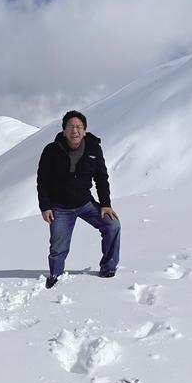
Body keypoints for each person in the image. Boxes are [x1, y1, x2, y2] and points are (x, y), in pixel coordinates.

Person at [37, 110, 120, 288]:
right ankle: (55, 276)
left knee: (112, 225)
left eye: (78, 127)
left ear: (84, 130)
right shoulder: (51, 150)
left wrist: (105, 204)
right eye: (70, 127)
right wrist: (45, 206)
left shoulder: (94, 149)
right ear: (64, 131)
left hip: (85, 203)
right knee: (58, 247)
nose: (75, 130)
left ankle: (108, 268)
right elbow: (42, 181)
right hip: (60, 207)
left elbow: (101, 178)